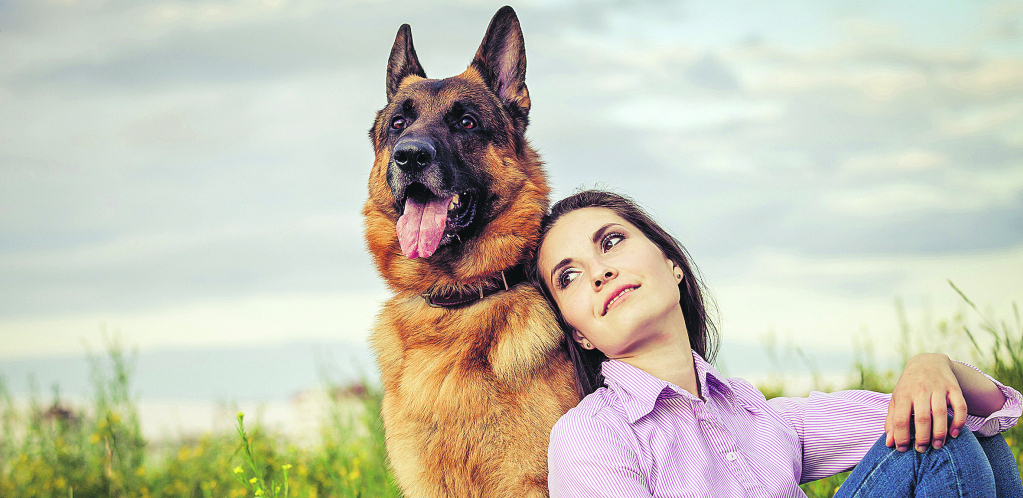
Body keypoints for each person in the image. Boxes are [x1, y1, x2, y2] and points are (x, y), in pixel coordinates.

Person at [532, 189, 1023, 498]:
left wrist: (934, 366)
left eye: (611, 241)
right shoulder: (592, 437)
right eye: (569, 276)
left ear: (671, 263)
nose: (599, 272)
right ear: (578, 332)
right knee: (938, 446)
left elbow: (980, 412)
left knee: (954, 432)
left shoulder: (759, 416)